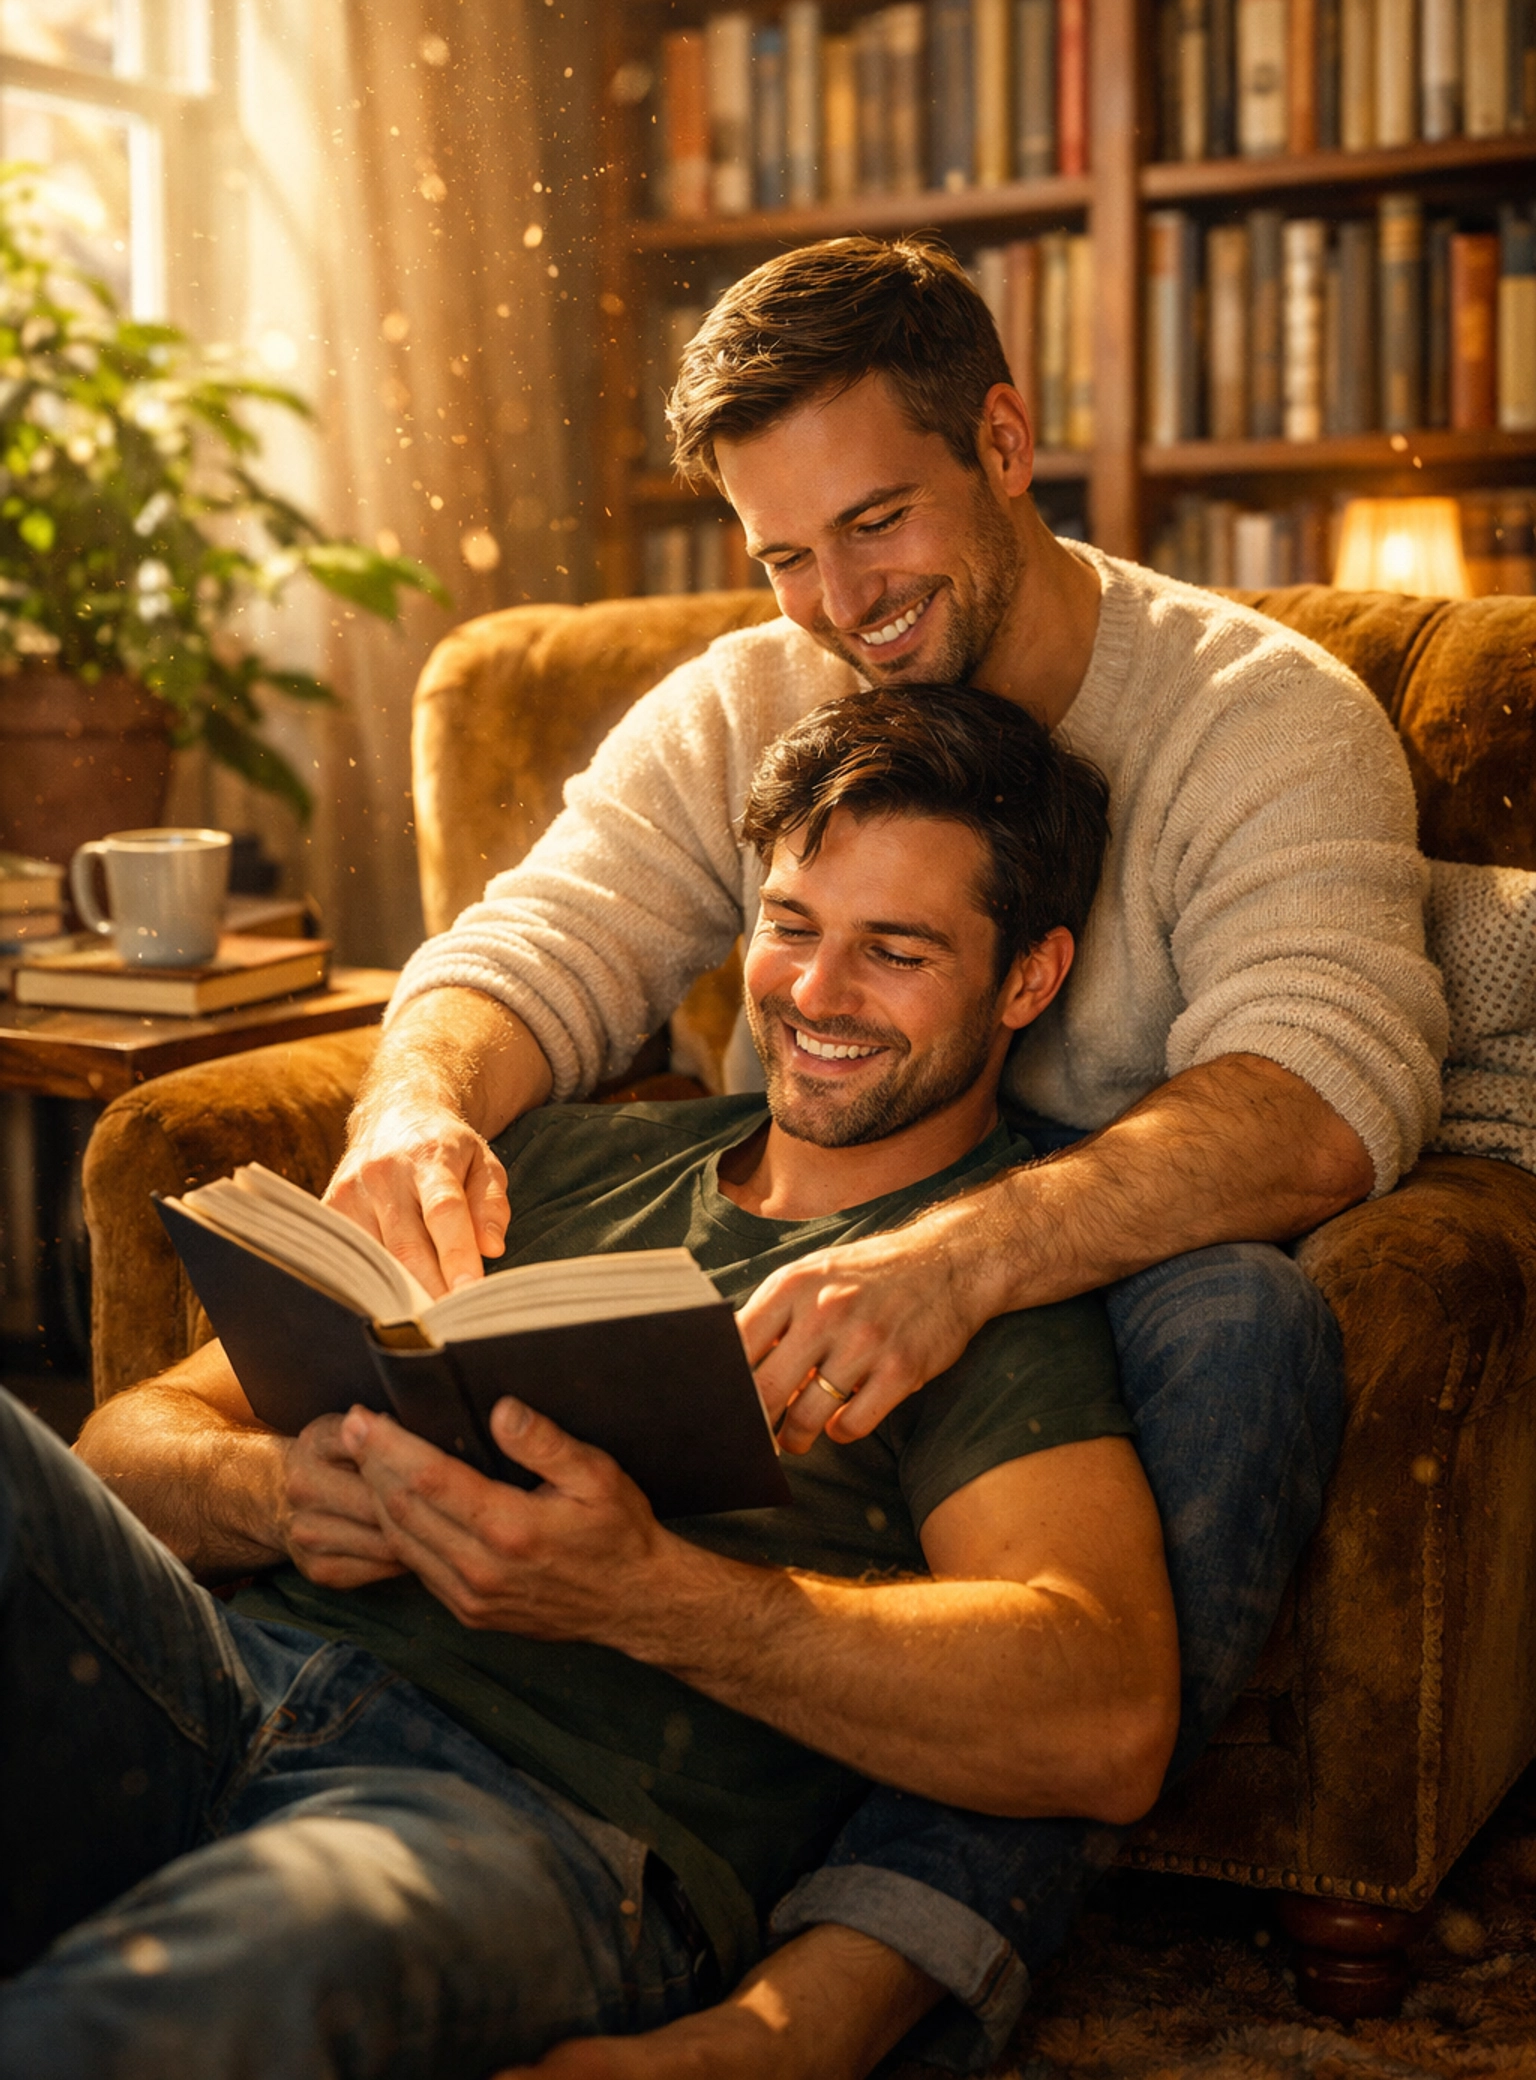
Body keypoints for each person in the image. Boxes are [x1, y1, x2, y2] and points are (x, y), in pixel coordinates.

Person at [313, 236, 1441, 2063]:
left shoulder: (1261, 716)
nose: (838, 605)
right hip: (818, 1267)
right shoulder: (754, 695)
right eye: (782, 555)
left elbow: (1322, 1088)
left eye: (875, 523)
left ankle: (828, 2008)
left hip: (1105, 1289)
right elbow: (534, 946)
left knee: (1245, 1320)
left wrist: (963, 1254)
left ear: (1003, 439)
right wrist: (415, 1106)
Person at [9, 689, 1176, 2080]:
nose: (813, 994)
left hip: (509, 1819)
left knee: (149, 2013)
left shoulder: (980, 1287)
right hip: (212, 1679)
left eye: (896, 951)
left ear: (1029, 981)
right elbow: (124, 1446)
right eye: (791, 926)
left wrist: (646, 1595)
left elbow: (1104, 1712)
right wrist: (281, 1492)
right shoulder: (559, 1155)